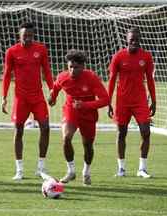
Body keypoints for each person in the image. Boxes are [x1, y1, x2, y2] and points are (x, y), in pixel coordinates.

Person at [48, 49, 109, 185]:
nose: (73, 70)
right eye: (70, 67)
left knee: (87, 145)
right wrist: (52, 97)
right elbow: (56, 87)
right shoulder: (63, 77)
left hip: (88, 113)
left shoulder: (92, 78)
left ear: (83, 67)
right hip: (71, 110)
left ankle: (86, 172)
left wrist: (85, 105)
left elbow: (106, 100)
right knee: (66, 138)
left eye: (76, 67)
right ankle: (71, 171)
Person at [1, 22, 54, 180]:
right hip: (21, 98)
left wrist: (53, 90)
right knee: (18, 131)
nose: (28, 39)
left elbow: (47, 71)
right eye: (25, 36)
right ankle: (19, 170)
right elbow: (6, 75)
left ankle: (41, 168)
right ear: (20, 36)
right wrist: (3, 97)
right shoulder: (12, 52)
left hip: (37, 97)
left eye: (30, 36)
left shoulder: (41, 49)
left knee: (45, 128)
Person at [108, 27, 156, 178]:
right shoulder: (118, 57)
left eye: (137, 40)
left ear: (140, 39)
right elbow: (111, 80)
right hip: (122, 101)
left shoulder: (146, 57)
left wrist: (154, 100)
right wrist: (108, 101)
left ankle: (142, 168)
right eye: (131, 40)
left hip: (140, 101)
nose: (134, 42)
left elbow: (150, 80)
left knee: (146, 132)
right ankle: (121, 169)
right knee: (121, 133)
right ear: (126, 40)